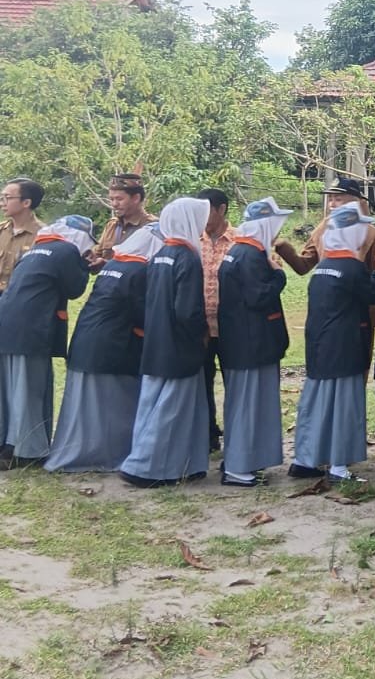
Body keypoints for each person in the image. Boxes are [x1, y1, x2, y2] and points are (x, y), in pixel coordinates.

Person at [47, 223, 163, 472]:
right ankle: (106, 455)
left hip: (88, 339)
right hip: (113, 345)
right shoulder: (140, 270)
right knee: (113, 405)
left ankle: (80, 451)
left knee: (86, 407)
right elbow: (144, 312)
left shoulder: (115, 264)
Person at [119, 197, 210, 488]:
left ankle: (186, 463)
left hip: (157, 339)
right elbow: (188, 310)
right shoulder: (187, 257)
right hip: (179, 344)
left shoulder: (159, 254)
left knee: (154, 404)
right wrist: (202, 333)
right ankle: (145, 467)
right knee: (171, 408)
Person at [290, 204, 375, 482]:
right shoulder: (352, 267)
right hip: (345, 345)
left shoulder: (324, 266)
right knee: (344, 404)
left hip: (319, 344)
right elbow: (372, 294)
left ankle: (305, 459)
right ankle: (339, 465)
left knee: (316, 401)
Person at [0, 215, 92, 467]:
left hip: (7, 321)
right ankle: (26, 451)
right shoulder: (67, 250)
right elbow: (75, 289)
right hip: (32, 327)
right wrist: (85, 266)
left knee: (8, 388)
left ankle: (6, 444)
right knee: (30, 388)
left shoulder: (35, 249)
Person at [217, 197, 290, 487]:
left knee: (241, 404)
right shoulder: (251, 255)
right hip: (252, 342)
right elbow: (259, 296)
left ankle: (240, 461)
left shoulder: (237, 249)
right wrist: (280, 275)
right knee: (248, 405)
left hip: (239, 341)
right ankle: (239, 467)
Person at [275, 176, 375, 275]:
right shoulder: (322, 228)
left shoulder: (369, 233)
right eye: (330, 199)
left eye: (338, 199)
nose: (332, 204)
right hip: (326, 289)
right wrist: (282, 245)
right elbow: (303, 266)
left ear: (354, 203)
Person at [199, 189, 235, 454]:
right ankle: (208, 433)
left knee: (235, 381)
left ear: (221, 209)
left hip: (232, 326)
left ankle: (237, 433)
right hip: (200, 326)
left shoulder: (240, 240)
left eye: (207, 210)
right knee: (202, 380)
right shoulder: (192, 240)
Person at [90, 173, 155, 270]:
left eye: (119, 199)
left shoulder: (152, 228)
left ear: (136, 198)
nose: (114, 204)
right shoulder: (112, 225)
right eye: (111, 199)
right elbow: (97, 254)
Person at [0, 178, 45, 293]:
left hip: (21, 300)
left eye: (7, 198)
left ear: (26, 203)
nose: (2, 203)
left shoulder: (44, 235)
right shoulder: (1, 230)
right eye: (2, 198)